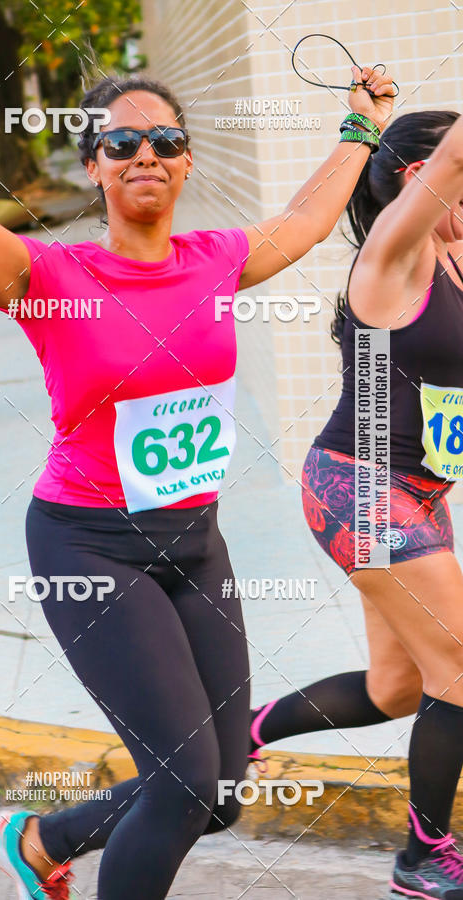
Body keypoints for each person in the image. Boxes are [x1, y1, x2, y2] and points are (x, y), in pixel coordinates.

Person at [0, 65, 393, 899]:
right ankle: (47, 841)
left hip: (196, 544)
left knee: (216, 793)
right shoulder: (49, 279)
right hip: (90, 545)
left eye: (167, 141)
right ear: (96, 167)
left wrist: (363, 123)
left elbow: (305, 219)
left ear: (186, 165)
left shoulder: (215, 261)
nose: (146, 152)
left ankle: (43, 839)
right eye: (122, 141)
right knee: (183, 786)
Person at [248, 109, 463, 899]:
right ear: (420, 180)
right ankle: (423, 855)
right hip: (359, 490)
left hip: (418, 495)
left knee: (397, 689)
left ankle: (245, 732)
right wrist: (370, 128)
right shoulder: (392, 259)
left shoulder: (453, 255)